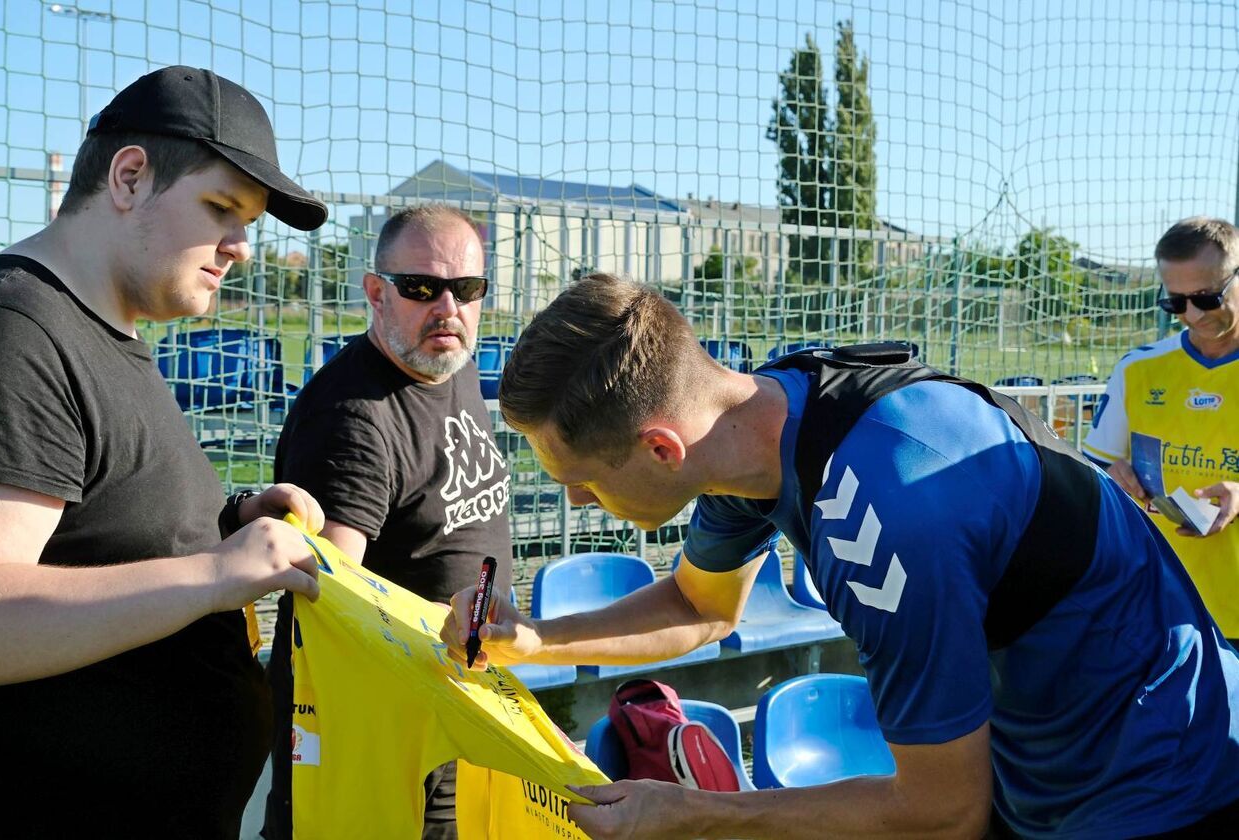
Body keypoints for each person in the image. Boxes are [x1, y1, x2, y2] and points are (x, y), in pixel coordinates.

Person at [443, 273, 1239, 839]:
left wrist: (695, 818)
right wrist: (539, 639)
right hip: (1044, 751)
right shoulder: (752, 424)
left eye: (580, 480)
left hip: (1151, 768)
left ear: (659, 448)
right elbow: (700, 607)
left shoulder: (884, 519)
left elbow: (940, 815)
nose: (576, 503)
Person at [0, 66, 328, 837]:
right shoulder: (18, 329)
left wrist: (231, 522)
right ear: (130, 177)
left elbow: (98, 525)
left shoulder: (109, 329)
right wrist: (215, 574)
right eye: (222, 209)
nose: (239, 247)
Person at [263, 205, 513, 839]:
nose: (448, 308)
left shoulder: (450, 365)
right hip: (388, 747)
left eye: (468, 290)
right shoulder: (352, 419)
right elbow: (331, 608)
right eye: (423, 288)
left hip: (458, 712)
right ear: (377, 292)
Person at [1084, 217, 1239, 640]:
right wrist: (1111, 475)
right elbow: (1095, 467)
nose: (1190, 315)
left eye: (1206, 298)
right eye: (1175, 302)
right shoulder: (1139, 369)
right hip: (1159, 605)